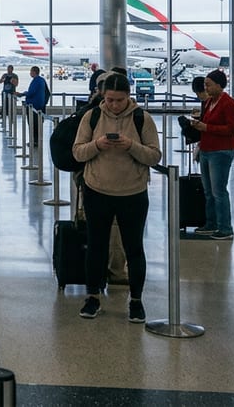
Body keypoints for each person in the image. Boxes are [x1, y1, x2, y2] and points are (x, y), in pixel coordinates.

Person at [71, 73, 161, 322]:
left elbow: (155, 156)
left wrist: (130, 145)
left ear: (128, 97)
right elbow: (78, 152)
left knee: (134, 248)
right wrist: (97, 144)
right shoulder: (92, 116)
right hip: (97, 191)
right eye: (109, 99)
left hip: (132, 193)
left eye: (119, 100)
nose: (113, 105)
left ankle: (136, 300)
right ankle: (92, 297)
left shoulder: (142, 118)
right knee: (96, 246)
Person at [190, 69, 234, 240]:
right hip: (207, 148)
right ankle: (211, 223)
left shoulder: (229, 104)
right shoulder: (209, 102)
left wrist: (207, 128)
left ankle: (225, 227)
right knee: (208, 190)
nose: (206, 88)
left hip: (221, 151)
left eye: (208, 85)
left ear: (219, 85)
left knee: (218, 190)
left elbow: (232, 128)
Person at [23, 66, 49, 144]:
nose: (30, 73)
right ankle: (37, 140)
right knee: (37, 124)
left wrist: (23, 94)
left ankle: (34, 141)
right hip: (40, 105)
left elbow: (31, 92)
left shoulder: (36, 81)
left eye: (31, 71)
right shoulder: (42, 80)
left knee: (33, 124)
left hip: (34, 106)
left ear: (34, 72)